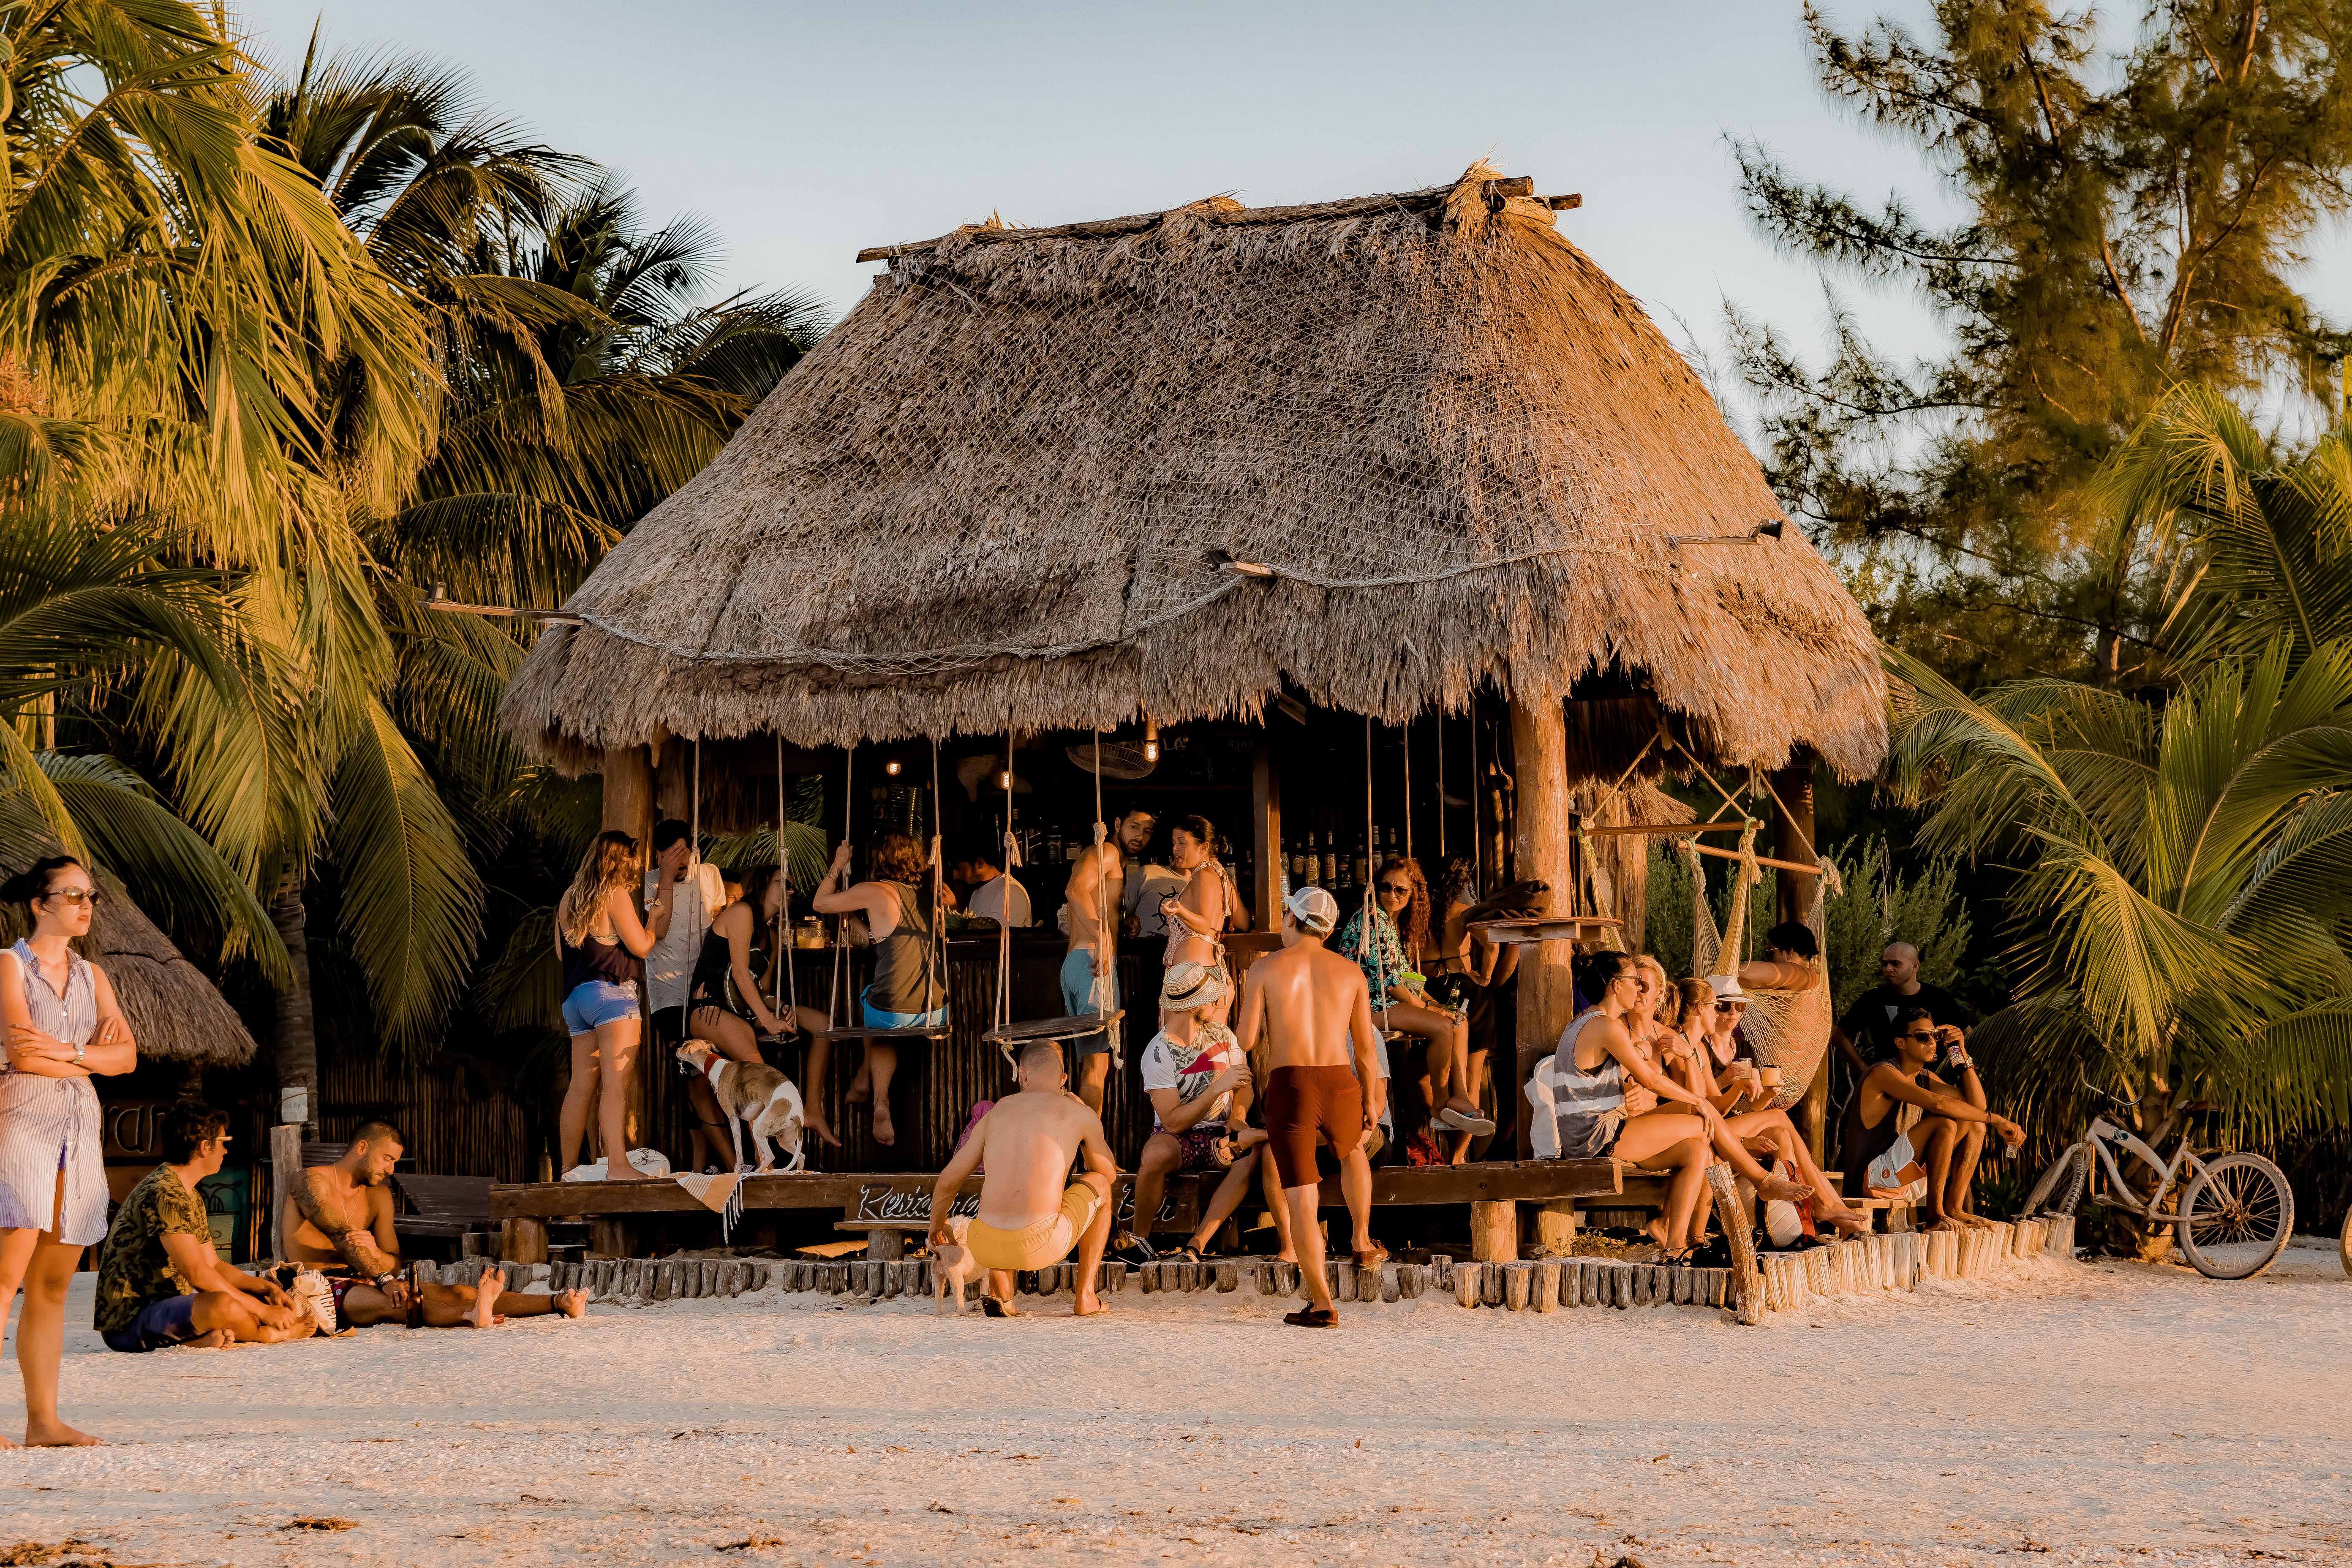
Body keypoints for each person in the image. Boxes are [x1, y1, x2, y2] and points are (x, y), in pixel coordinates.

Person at [1550, 950, 1811, 1264]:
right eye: (1636, 982)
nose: (1641, 989)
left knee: (1695, 1151)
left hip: (1594, 1134)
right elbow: (1651, 1081)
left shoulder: (1585, 1023)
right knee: (1704, 1121)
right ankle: (1762, 1182)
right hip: (1597, 1137)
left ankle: (1674, 1245)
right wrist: (1697, 1100)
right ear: (1617, 986)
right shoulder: (1606, 1026)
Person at [0, 855, 137, 1446]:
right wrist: (86, 1053)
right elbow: (22, 1057)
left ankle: (42, 1422)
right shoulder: (8, 967)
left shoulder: (94, 977)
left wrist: (70, 1052)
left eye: (92, 896)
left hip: (78, 1136)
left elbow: (127, 1059)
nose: (86, 905)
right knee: (4, 1281)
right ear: (40, 904)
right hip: (21, 1129)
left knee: (54, 1285)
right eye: (73, 895)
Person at [1232, 887, 1383, 1328]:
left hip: (1292, 1084)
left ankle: (1322, 1303)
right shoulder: (1351, 971)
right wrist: (1371, 1097)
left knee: (1302, 1197)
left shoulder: (1265, 968)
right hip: (1341, 1080)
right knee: (1352, 1148)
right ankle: (1361, 1239)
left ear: (1291, 919)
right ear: (1331, 929)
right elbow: (1368, 1051)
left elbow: (1244, 1041)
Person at [282, 1122, 588, 1328]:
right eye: (386, 1159)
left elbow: (394, 1262)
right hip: (318, 1285)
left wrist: (377, 1255)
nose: (391, 1170)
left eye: (395, 1163)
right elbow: (341, 1235)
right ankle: (470, 1317)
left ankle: (558, 1302)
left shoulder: (379, 1196)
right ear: (362, 1148)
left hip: (369, 1279)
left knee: (459, 1291)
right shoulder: (311, 1181)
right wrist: (385, 1278)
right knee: (400, 1303)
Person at [95, 1102, 314, 1355]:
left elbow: (214, 1266)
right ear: (204, 1147)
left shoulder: (189, 1194)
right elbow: (198, 1275)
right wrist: (263, 1311)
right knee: (225, 1305)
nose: (226, 1151)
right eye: (224, 1142)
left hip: (165, 1310)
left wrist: (267, 1289)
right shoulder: (165, 1193)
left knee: (239, 1300)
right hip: (129, 1322)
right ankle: (268, 1335)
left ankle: (192, 1341)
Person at [1660, 978, 1869, 1237]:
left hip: (1715, 1124)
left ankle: (1798, 1227)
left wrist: (1752, 1089)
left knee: (1781, 1133)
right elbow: (1697, 1105)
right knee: (1780, 1118)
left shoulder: (1703, 1048)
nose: (1729, 1013)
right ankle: (1822, 1206)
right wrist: (1734, 1089)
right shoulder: (1685, 1046)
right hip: (1699, 1129)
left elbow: (1717, 1106)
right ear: (1702, 1008)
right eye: (1720, 1006)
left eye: (1738, 1007)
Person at [926, 1037, 1117, 1318]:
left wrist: (937, 1225)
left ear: (1023, 1074)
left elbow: (948, 1181)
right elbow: (1108, 1173)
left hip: (984, 1245)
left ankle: (1001, 1286)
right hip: (1041, 1244)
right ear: (1063, 1079)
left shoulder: (996, 1112)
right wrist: (1087, 1125)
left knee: (1003, 1206)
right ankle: (1086, 1296)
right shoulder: (1078, 1112)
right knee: (1100, 1186)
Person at [1337, 858, 1491, 1160]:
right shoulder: (1373, 917)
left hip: (1386, 1001)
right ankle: (1440, 1104)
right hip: (1365, 1005)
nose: (1392, 895)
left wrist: (1436, 1003)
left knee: (1457, 1017)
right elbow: (1390, 981)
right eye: (1386, 887)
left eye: (1401, 891)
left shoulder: (1389, 922)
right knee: (1443, 1026)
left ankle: (1459, 1096)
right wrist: (1428, 1007)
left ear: (1413, 895)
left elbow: (1407, 975)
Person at [687, 864, 831, 1161]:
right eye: (782, 882)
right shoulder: (742, 913)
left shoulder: (773, 935)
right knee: (755, 1068)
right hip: (710, 1010)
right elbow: (740, 973)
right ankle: (763, 1154)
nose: (789, 889)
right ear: (762, 885)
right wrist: (768, 1020)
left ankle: (813, 1111)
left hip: (743, 1012)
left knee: (823, 1024)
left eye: (791, 885)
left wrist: (778, 1006)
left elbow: (761, 987)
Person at [813, 832, 945, 1148]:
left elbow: (820, 902)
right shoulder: (930, 896)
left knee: (876, 1009)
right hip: (935, 1011)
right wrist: (855, 924)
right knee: (884, 1019)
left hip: (892, 1012)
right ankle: (863, 1083)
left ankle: (876, 1096)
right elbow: (890, 943)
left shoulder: (873, 891)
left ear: (879, 860)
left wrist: (838, 864)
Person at [1117, 962, 1254, 1266]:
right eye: (1210, 998)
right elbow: (1172, 1122)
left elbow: (1245, 1086)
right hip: (1180, 1137)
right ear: (1194, 1005)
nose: (1216, 1004)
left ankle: (1196, 1244)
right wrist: (1219, 1088)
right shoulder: (1158, 1052)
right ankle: (1141, 1242)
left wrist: (1238, 1118)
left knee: (1249, 1156)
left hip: (1222, 1132)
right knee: (1153, 1154)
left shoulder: (1223, 1034)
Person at [556, 830, 671, 1179]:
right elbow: (642, 946)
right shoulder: (615, 894)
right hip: (611, 996)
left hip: (576, 1001)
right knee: (616, 1084)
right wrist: (653, 917)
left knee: (580, 1087)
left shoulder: (567, 899)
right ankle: (619, 1167)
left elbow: (562, 953)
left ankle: (568, 1169)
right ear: (622, 863)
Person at [1840, 1007, 2019, 1230]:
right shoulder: (1883, 1073)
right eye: (1922, 1037)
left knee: (1974, 1123)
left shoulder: (1924, 1077)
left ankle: (1954, 1209)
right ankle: (1936, 1216)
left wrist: (1958, 1051)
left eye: (1934, 1036)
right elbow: (1940, 1104)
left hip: (1902, 1175)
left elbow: (1976, 1107)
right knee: (1944, 1122)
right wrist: (1998, 1120)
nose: (1931, 1042)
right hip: (1872, 1178)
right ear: (1901, 1043)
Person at [1422, 857, 1520, 1163]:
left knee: (1426, 1077)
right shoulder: (1465, 912)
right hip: (1467, 991)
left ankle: (1448, 1138)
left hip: (1432, 990)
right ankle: (1459, 1157)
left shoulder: (1419, 915)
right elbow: (1492, 946)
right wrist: (1485, 977)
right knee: (1471, 1076)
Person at [1061, 808, 1154, 1116]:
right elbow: (1074, 890)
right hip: (1092, 964)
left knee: (1097, 1067)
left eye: (1147, 831)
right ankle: (1090, 1155)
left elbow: (1098, 905)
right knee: (1096, 1069)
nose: (1139, 835)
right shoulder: (1108, 851)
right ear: (1117, 825)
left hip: (1083, 963)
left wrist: (1122, 924)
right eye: (1134, 826)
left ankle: (1083, 1149)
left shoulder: (1113, 862)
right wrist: (1101, 935)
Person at [642, 819, 724, 1051]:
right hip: (668, 991)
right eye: (671, 856)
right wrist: (666, 878)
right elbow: (659, 930)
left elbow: (719, 930)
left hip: (705, 987)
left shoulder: (710, 874)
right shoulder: (648, 882)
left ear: (693, 850)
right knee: (690, 1064)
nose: (679, 862)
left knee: (716, 1058)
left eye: (683, 854)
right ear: (659, 856)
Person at [1832, 942, 1975, 1074]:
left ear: (1915, 966)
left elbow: (1969, 1034)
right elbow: (1839, 1035)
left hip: (1936, 1081)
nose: (1888, 969)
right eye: (1885, 964)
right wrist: (1866, 1071)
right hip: (1892, 1082)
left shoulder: (1939, 997)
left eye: (1895, 964)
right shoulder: (1873, 999)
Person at [1157, 816, 1231, 1029]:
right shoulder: (1219, 876)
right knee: (1209, 1053)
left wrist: (1179, 910)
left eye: (1182, 842)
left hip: (1193, 982)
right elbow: (1242, 918)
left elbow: (1204, 925)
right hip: (1206, 975)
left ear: (1204, 847)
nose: (1175, 849)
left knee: (1181, 1050)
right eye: (1174, 843)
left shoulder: (1204, 876)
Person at [959, 839, 1031, 928]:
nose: (955, 876)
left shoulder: (1009, 892)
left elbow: (1002, 939)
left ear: (980, 864)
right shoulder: (977, 894)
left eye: (959, 869)